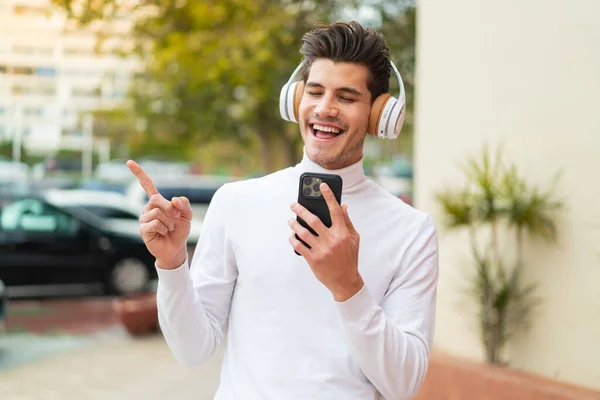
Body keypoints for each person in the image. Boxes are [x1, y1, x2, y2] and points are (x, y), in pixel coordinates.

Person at [127, 21, 439, 400]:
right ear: (295, 100)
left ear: (379, 115)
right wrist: (173, 264)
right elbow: (193, 350)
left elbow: (404, 384)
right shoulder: (236, 202)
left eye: (346, 97)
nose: (325, 109)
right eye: (316, 91)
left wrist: (348, 286)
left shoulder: (412, 230)